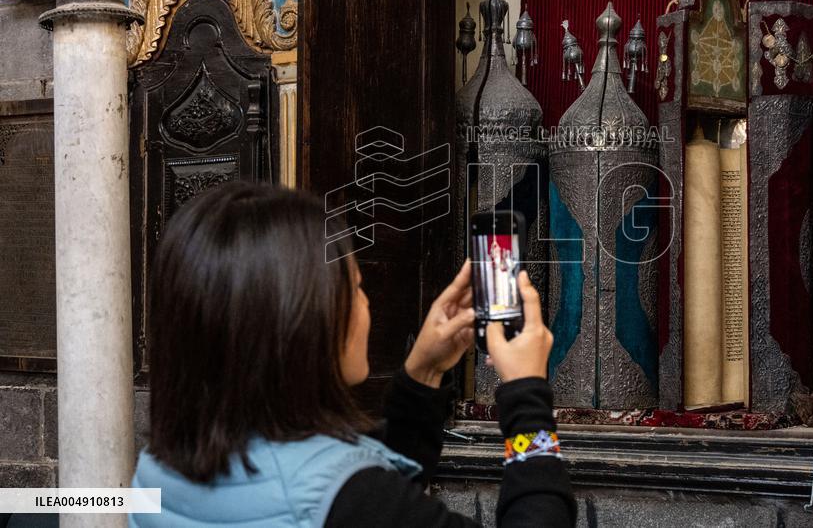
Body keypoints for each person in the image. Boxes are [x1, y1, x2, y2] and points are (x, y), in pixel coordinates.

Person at [130, 182, 575, 527]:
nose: (366, 304)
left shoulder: (156, 471)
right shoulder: (343, 498)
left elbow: (379, 491)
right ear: (305, 322)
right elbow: (364, 502)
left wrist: (424, 372)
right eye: (357, 287)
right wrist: (527, 397)